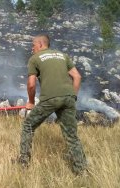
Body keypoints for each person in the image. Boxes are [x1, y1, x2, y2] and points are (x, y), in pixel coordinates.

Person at [18, 34, 87, 175]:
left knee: (27, 126)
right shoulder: (62, 55)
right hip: (68, 98)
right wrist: (72, 97)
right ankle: (81, 171)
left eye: (33, 45)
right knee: (71, 135)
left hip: (50, 99)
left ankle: (23, 162)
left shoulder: (34, 59)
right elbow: (77, 77)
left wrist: (31, 102)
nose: (32, 48)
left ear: (41, 44)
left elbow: (31, 85)